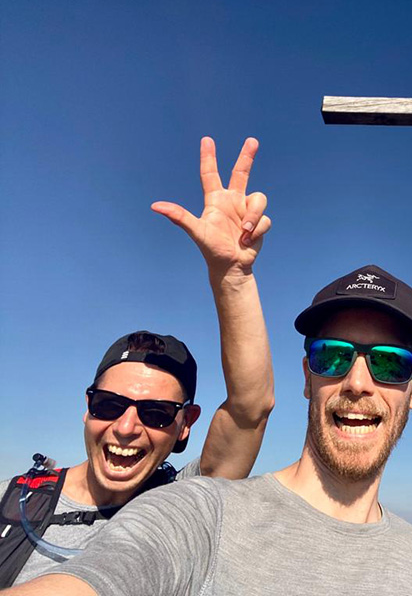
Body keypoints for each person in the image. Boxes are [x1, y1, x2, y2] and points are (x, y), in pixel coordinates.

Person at [3, 264, 412, 595]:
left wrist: (233, 277)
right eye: (333, 357)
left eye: (388, 363)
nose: (358, 383)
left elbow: (249, 408)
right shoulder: (200, 510)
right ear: (307, 375)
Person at [0, 137, 275, 587]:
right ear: (87, 406)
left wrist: (233, 278)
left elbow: (251, 408)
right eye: (109, 404)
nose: (126, 427)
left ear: (186, 424)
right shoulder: (11, 502)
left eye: (155, 413)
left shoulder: (181, 500)